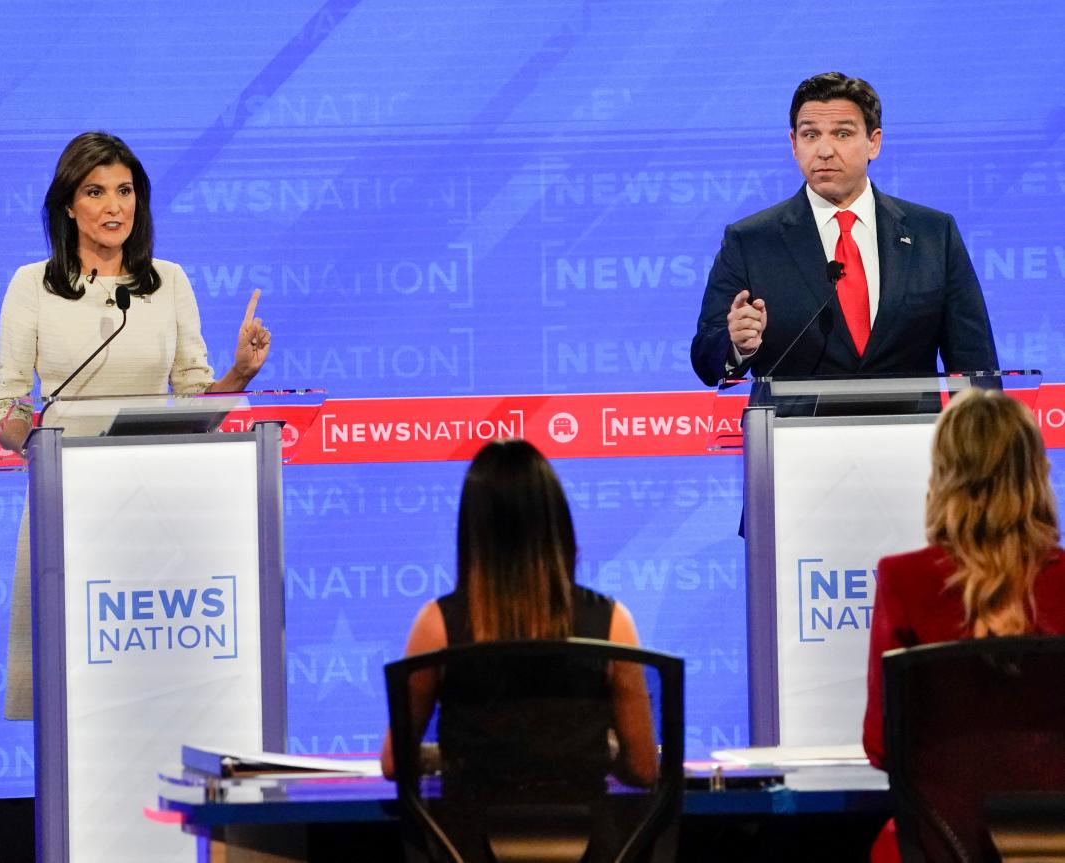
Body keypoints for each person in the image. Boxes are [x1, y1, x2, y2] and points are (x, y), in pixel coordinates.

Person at [0, 131, 270, 720]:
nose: (114, 206)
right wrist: (27, 434)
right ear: (68, 205)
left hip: (158, 498)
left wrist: (240, 372)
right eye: (95, 191)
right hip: (67, 497)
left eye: (125, 190)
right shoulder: (31, 287)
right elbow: (8, 404)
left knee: (153, 682)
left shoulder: (168, 282)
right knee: (75, 684)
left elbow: (195, 400)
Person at [379, 439, 657, 789]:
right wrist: (593, 750)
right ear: (558, 525)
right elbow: (645, 767)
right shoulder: (613, 622)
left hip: (464, 843)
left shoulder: (436, 625)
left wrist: (449, 758)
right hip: (590, 842)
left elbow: (394, 762)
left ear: (472, 531)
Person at [690, 72, 998, 387]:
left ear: (873, 142)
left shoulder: (933, 234)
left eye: (842, 134)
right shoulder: (751, 240)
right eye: (810, 135)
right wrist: (738, 347)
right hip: (794, 432)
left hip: (909, 431)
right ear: (794, 144)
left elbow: (975, 362)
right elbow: (705, 358)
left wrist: (984, 434)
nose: (824, 150)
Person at [862, 387, 1065, 859]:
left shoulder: (904, 579)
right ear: (1036, 472)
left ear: (944, 475)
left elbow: (881, 746)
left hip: (941, 849)